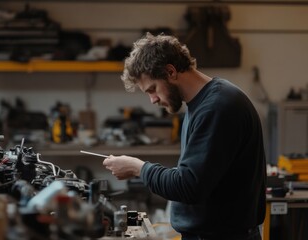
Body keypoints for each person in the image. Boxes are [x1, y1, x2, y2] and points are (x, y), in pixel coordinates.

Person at [102, 32, 266, 240]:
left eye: (152, 89)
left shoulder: (216, 108)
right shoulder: (201, 104)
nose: (152, 100)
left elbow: (188, 186)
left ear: (170, 71)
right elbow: (195, 177)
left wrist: (137, 168)